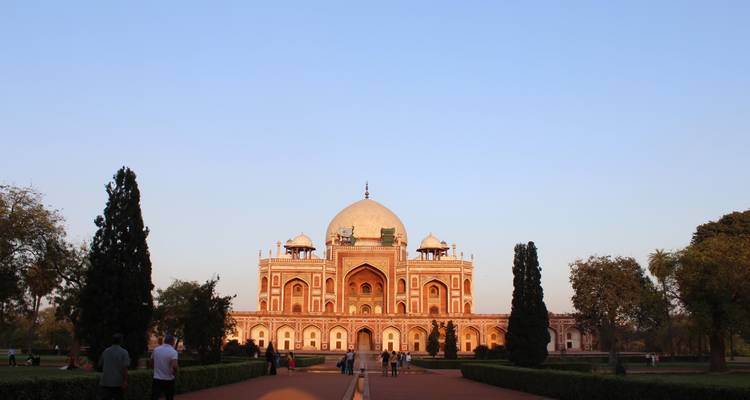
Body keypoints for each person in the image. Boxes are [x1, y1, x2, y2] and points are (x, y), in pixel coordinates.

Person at [97, 333, 130, 400]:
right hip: (118, 382)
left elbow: (100, 364)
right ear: (121, 341)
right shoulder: (124, 352)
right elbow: (125, 368)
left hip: (105, 381)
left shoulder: (106, 351)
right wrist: (125, 381)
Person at [151, 334, 179, 400]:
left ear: (165, 341)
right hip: (169, 379)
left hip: (157, 378)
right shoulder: (173, 352)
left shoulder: (156, 350)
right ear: (172, 342)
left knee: (154, 397)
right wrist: (175, 374)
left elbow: (151, 361)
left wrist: (155, 369)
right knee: (169, 397)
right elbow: (174, 366)